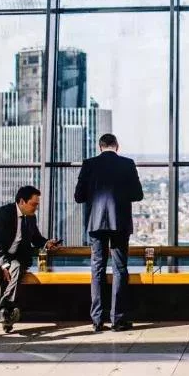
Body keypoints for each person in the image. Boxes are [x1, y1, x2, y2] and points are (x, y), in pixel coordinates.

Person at [74, 133, 144, 332]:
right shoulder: (128, 164)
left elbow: (79, 197)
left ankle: (96, 320)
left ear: (100, 147)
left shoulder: (88, 164)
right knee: (120, 268)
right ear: (117, 147)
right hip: (119, 223)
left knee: (97, 268)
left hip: (96, 224)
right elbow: (138, 195)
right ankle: (118, 319)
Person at [0, 186, 60, 333]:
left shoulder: (30, 217)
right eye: (34, 204)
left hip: (10, 256)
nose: (36, 208)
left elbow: (35, 238)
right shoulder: (2, 214)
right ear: (22, 201)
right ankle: (5, 313)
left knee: (17, 267)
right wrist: (4, 265)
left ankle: (3, 311)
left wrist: (46, 243)